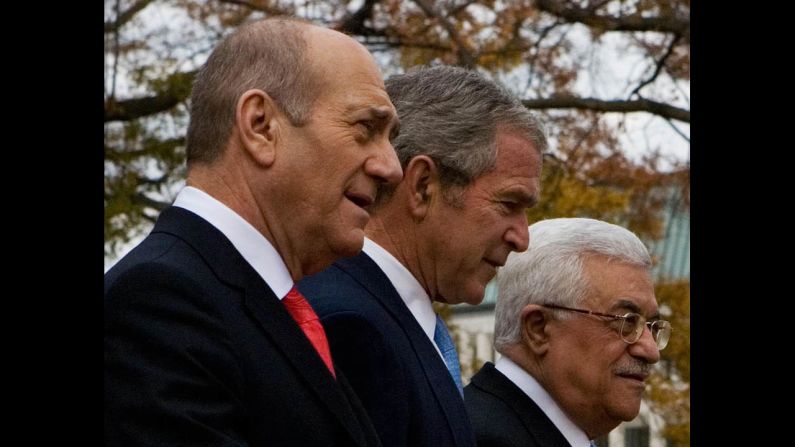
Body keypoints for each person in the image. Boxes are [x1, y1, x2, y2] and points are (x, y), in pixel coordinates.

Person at [104, 18, 403, 446]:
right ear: (261, 125)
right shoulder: (159, 301)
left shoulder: (266, 304)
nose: (391, 167)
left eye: (390, 137)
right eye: (366, 129)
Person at [298, 65, 546, 447]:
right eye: (509, 203)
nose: (521, 238)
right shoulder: (352, 329)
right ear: (423, 185)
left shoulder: (386, 319)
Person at [464, 218, 672, 447]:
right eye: (626, 322)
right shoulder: (470, 438)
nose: (651, 351)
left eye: (652, 326)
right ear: (538, 329)